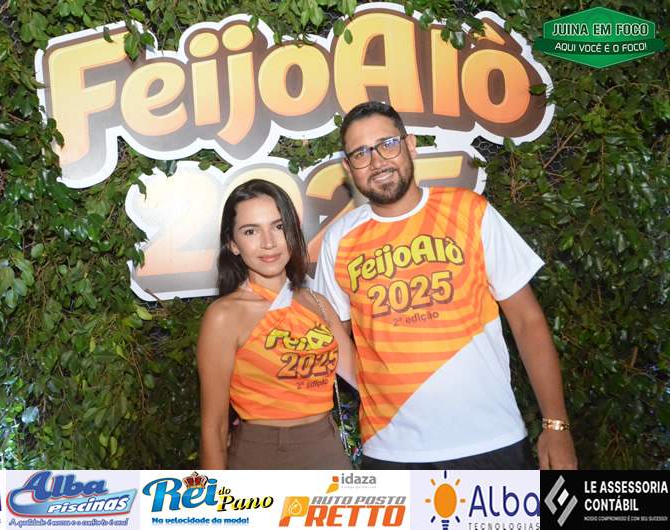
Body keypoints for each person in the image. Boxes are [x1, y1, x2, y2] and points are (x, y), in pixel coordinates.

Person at [314, 101, 577, 470]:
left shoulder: (470, 211)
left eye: (387, 144)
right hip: (391, 451)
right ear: (348, 167)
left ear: (410, 145)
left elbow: (527, 321)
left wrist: (556, 424)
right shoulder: (338, 240)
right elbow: (331, 333)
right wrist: (375, 384)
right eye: (361, 153)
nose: (377, 161)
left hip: (491, 439)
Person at [197, 179, 357, 469]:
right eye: (251, 231)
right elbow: (214, 427)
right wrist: (212, 496)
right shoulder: (224, 316)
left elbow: (365, 378)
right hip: (261, 455)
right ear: (233, 244)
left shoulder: (318, 303)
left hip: (327, 448)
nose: (268, 242)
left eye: (278, 226)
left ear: (292, 232)